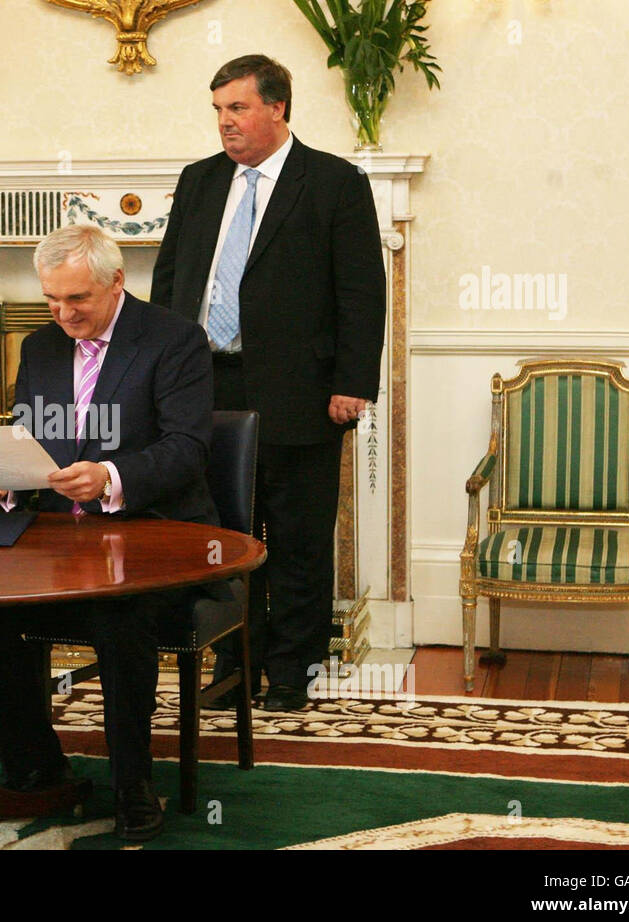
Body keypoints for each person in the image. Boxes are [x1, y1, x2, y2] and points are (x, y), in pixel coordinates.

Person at [0, 225, 218, 842]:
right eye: (51, 299)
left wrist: (111, 475)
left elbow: (188, 449)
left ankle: (133, 784)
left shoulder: (174, 340)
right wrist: (3, 483)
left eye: (77, 300)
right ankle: (35, 768)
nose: (63, 313)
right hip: (57, 543)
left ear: (116, 281)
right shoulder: (41, 347)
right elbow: (32, 445)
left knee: (117, 613)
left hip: (155, 537)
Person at [151, 54, 386, 712]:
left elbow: (362, 292)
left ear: (277, 108)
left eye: (238, 108)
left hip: (302, 391)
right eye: (219, 110)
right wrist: (157, 375)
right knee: (223, 534)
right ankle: (233, 663)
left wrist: (353, 381)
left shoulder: (334, 182)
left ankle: (293, 671)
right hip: (208, 387)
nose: (226, 122)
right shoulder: (200, 182)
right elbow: (170, 284)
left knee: (298, 537)